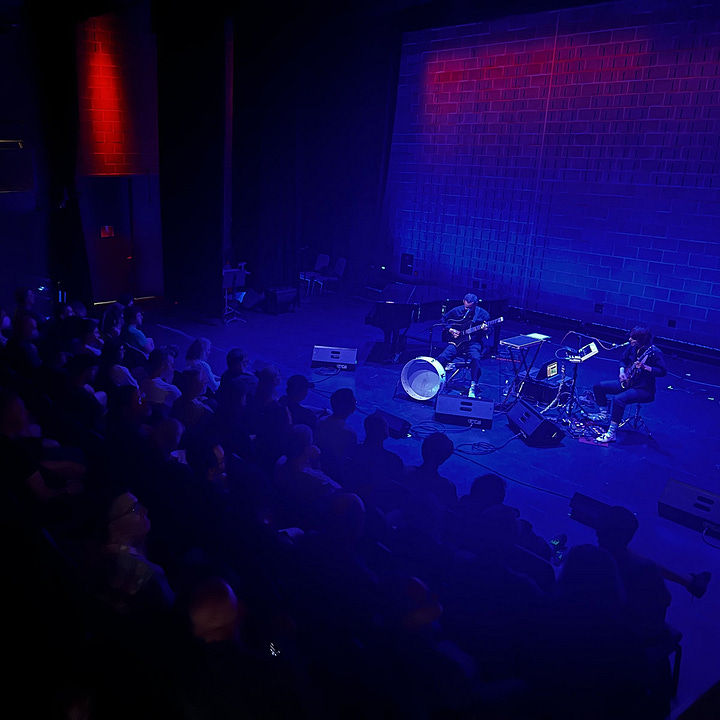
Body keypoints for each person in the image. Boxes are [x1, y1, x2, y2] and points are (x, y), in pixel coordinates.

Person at [592, 326, 667, 443]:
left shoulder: (654, 352)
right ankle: (603, 415)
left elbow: (662, 371)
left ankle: (611, 433)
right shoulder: (632, 347)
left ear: (641, 339)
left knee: (618, 399)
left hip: (644, 388)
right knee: (598, 386)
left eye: (633, 338)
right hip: (628, 382)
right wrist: (622, 372)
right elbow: (623, 360)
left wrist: (646, 367)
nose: (629, 339)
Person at [436, 293, 490, 398]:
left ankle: (473, 385)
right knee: (442, 357)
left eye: (470, 308)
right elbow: (443, 319)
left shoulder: (483, 314)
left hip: (473, 343)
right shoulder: (456, 310)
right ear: (463, 302)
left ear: (475, 304)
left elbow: (489, 332)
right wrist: (450, 329)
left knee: (476, 358)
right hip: (457, 343)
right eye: (466, 307)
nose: (468, 310)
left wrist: (486, 329)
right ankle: (439, 381)